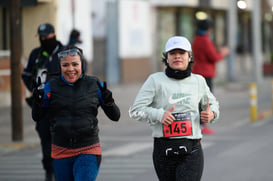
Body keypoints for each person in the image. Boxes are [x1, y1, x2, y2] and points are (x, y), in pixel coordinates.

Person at [129, 36, 219, 181]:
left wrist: (211, 114)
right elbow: (136, 111)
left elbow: (213, 104)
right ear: (166, 58)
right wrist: (159, 115)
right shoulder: (155, 80)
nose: (177, 56)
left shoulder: (198, 81)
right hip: (163, 148)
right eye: (172, 53)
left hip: (192, 148)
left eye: (182, 53)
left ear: (189, 56)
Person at [32, 45, 120, 181]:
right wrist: (37, 101)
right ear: (60, 66)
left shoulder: (94, 84)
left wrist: (109, 101)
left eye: (75, 64)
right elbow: (37, 116)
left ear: (82, 64)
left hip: (88, 149)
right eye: (65, 65)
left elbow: (115, 116)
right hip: (60, 150)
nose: (70, 69)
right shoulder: (51, 86)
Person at [21, 23, 63, 181]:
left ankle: (61, 172)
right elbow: (25, 74)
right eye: (41, 37)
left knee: (62, 139)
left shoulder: (66, 52)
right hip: (43, 106)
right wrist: (35, 89)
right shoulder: (36, 54)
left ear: (54, 34)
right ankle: (49, 172)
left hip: (62, 106)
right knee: (46, 140)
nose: (44, 39)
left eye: (46, 36)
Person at [192, 18, 229, 135]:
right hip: (206, 73)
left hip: (197, 71)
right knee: (206, 100)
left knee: (199, 99)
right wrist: (223, 53)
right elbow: (214, 57)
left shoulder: (196, 40)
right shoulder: (205, 41)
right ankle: (203, 125)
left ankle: (200, 124)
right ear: (209, 29)